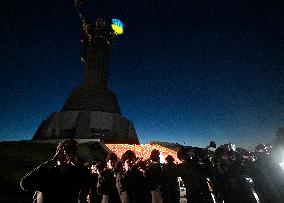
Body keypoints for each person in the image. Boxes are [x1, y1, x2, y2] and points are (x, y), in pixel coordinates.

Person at [20, 139, 91, 203]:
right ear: (57, 153)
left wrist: (76, 163)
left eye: (70, 153)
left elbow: (90, 182)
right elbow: (25, 184)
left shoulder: (77, 172)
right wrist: (51, 162)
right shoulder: (47, 170)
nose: (66, 156)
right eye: (62, 153)